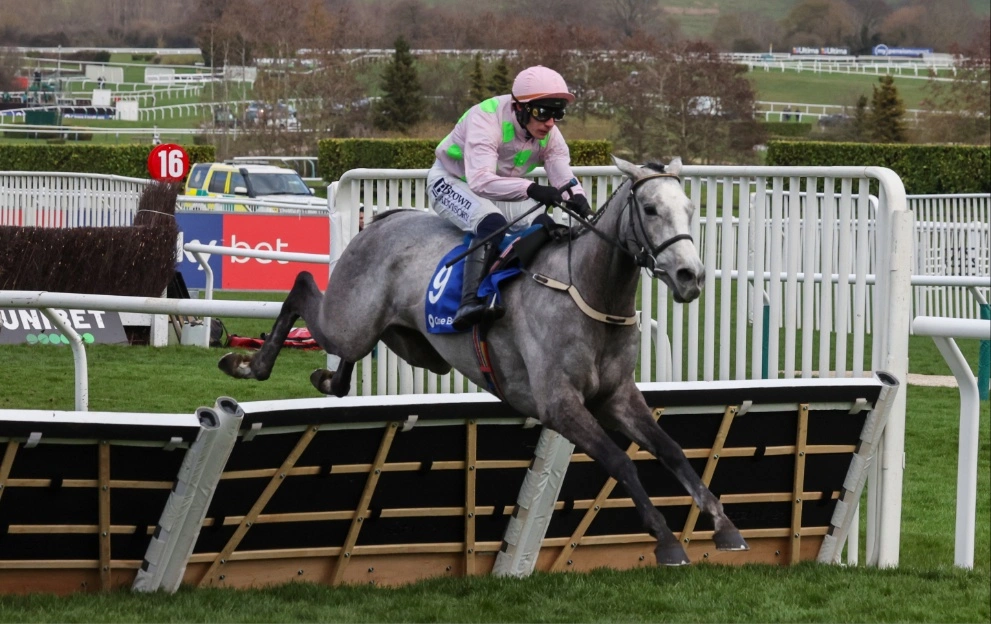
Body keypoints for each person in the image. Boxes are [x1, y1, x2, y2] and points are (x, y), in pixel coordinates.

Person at [428, 65, 592, 330]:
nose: (550, 122)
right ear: (519, 108)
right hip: (453, 181)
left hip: (499, 186)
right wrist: (531, 188)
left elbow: (561, 172)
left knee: (543, 224)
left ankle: (516, 290)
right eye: (542, 113)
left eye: (557, 113)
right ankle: (468, 302)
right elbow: (480, 181)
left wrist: (580, 200)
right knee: (491, 222)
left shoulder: (549, 133)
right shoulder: (485, 119)